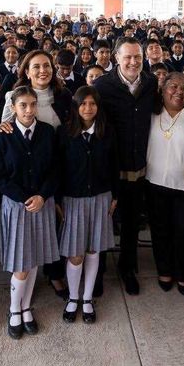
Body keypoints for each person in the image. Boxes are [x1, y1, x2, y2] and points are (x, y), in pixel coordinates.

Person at [0, 87, 61, 339]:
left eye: (33, 104)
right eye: (23, 105)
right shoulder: (4, 136)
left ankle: (26, 306)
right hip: (18, 205)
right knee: (21, 263)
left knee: (34, 260)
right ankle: (14, 310)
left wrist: (43, 195)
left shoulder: (46, 132)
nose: (29, 110)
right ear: (13, 106)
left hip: (41, 203)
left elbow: (55, 169)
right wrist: (24, 198)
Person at [93, 37, 158, 296]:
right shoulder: (102, 86)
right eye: (128, 57)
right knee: (101, 222)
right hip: (108, 168)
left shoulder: (151, 83)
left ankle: (127, 267)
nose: (133, 62)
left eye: (138, 58)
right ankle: (95, 271)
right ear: (116, 58)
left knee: (132, 222)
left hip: (137, 167)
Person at [58, 86, 117, 324]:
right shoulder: (64, 133)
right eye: (83, 104)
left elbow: (115, 165)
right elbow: (58, 168)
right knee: (76, 254)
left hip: (101, 197)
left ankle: (87, 298)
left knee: (94, 251)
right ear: (75, 106)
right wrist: (58, 198)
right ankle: (73, 297)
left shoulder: (107, 132)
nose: (88, 108)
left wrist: (115, 196)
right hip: (73, 199)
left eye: (92, 104)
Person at [145, 72, 184, 297]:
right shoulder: (151, 113)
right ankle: (164, 271)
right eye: (173, 87)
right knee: (160, 231)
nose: (179, 91)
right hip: (154, 183)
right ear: (163, 89)